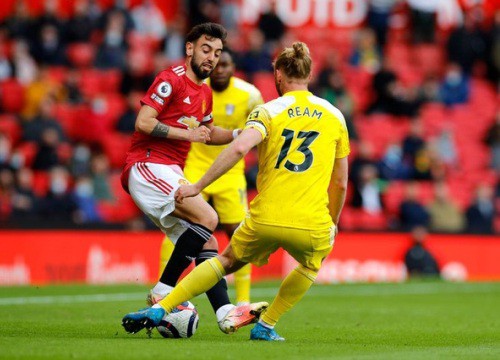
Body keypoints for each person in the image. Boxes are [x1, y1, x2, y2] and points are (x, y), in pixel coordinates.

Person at [122, 41, 350, 341]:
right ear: (310, 73)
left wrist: (198, 186)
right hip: (312, 221)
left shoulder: (268, 110)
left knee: (225, 260)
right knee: (310, 264)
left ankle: (161, 306)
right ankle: (266, 325)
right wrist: (332, 221)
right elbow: (341, 182)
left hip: (265, 216)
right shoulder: (335, 115)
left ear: (278, 74)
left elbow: (240, 147)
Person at [119, 22, 267, 335]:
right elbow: (144, 122)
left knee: (208, 242)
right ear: (189, 49)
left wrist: (243, 133)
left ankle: (225, 312)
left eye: (217, 52)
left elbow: (209, 133)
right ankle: (162, 292)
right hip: (147, 165)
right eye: (205, 49)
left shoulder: (204, 92)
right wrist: (187, 133)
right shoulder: (170, 79)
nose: (211, 58)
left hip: (170, 170)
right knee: (208, 217)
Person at [158, 47, 264, 305]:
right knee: (180, 228)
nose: (220, 69)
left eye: (226, 64)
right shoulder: (196, 90)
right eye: (217, 64)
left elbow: (261, 131)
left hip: (231, 172)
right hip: (195, 167)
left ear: (233, 67)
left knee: (238, 234)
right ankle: (164, 288)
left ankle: (243, 302)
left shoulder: (249, 94)